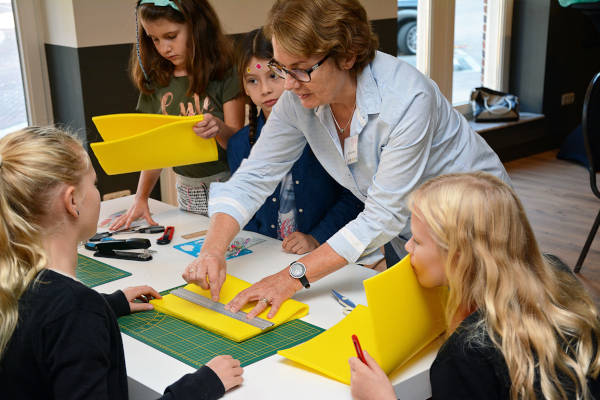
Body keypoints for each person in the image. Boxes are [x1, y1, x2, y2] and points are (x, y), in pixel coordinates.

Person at [182, 0, 510, 320]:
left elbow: (381, 216)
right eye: (281, 68)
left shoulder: (407, 98)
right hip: (408, 234)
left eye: (301, 70)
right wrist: (213, 249)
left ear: (348, 55)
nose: (289, 85)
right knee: (422, 331)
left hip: (476, 226)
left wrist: (290, 277)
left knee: (486, 336)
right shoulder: (299, 97)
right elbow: (254, 176)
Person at [0, 127, 243, 399]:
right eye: (93, 184)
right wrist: (199, 387)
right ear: (72, 201)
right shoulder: (75, 310)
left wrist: (106, 304)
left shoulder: (14, 281)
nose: (96, 193)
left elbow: (40, 320)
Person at [349, 172, 600, 400]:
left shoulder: (466, 354)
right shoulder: (555, 271)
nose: (407, 247)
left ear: (457, 257)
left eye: (418, 241)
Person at [227, 28, 364, 255]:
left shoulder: (329, 130)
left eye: (273, 76)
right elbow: (243, 202)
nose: (265, 89)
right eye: (252, 80)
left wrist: (316, 238)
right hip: (267, 257)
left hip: (326, 253)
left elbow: (354, 197)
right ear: (243, 87)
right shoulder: (238, 145)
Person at [110, 0, 245, 230]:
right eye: (154, 39)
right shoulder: (156, 79)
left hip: (229, 185)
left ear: (197, 27)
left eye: (171, 36)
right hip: (186, 191)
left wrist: (218, 128)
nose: (164, 48)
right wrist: (141, 198)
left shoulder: (226, 71)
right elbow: (154, 150)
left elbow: (237, 145)